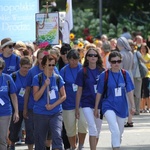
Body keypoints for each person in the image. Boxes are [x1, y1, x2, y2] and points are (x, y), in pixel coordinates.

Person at [94, 51, 135, 150]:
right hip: (108, 105)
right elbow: (99, 92)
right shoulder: (105, 75)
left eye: (118, 61)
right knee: (115, 128)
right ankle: (116, 148)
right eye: (114, 62)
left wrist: (132, 106)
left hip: (122, 106)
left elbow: (129, 91)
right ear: (109, 62)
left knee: (119, 132)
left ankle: (115, 146)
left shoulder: (125, 74)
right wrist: (96, 108)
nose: (116, 64)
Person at [32, 54, 66, 150]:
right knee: (40, 140)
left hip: (55, 113)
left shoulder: (58, 78)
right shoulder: (37, 78)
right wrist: (44, 85)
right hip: (40, 113)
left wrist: (53, 105)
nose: (51, 67)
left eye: (53, 65)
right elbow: (35, 97)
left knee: (57, 136)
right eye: (49, 65)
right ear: (43, 66)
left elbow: (63, 96)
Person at [75, 48, 104, 150]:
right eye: (90, 55)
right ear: (86, 57)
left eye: (95, 55)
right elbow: (79, 90)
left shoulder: (102, 71)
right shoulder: (82, 72)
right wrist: (77, 108)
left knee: (98, 130)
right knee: (92, 128)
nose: (93, 57)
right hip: (86, 103)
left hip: (99, 104)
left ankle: (93, 147)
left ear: (98, 57)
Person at [60, 49, 87, 150]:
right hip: (68, 103)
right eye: (71, 60)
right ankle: (73, 146)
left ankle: (81, 144)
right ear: (67, 60)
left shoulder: (83, 69)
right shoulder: (64, 70)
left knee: (83, 124)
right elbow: (60, 86)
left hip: (82, 103)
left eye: (75, 60)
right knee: (70, 126)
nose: (73, 62)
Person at [23, 49, 46, 150]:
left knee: (44, 131)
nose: (43, 61)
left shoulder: (52, 69)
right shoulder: (32, 72)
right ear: (37, 59)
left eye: (44, 58)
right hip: (33, 106)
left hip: (47, 107)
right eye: (41, 59)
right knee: (31, 131)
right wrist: (25, 108)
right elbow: (27, 90)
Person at [8, 57, 32, 150]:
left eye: (28, 67)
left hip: (29, 107)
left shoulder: (32, 76)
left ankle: (30, 146)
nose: (26, 70)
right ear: (20, 66)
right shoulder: (13, 76)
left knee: (30, 129)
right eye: (24, 67)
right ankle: (12, 145)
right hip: (16, 107)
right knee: (14, 129)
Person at [0, 57, 19, 150]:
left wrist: (16, 112)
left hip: (5, 112)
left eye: (0, 68)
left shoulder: (7, 78)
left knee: (2, 138)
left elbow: (13, 95)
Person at [116, 37, 134, 127]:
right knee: (130, 98)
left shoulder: (120, 54)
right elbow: (133, 65)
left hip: (123, 75)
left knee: (123, 98)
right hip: (130, 74)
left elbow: (119, 67)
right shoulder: (130, 53)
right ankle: (130, 120)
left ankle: (122, 119)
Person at [140, 43, 150, 113]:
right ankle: (142, 108)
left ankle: (148, 107)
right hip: (141, 76)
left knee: (147, 93)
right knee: (142, 94)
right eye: (142, 48)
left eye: (144, 48)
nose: (143, 49)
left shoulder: (148, 56)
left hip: (147, 76)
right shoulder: (140, 56)